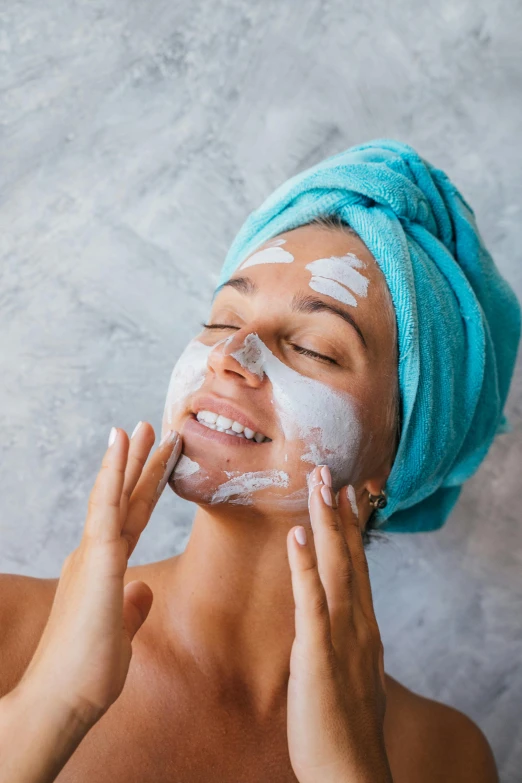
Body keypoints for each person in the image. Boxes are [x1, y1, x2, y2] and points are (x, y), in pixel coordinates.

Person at [0, 140, 519, 782]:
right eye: (222, 320)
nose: (230, 356)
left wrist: (350, 771)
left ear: (402, 455)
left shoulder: (445, 758)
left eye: (313, 348)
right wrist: (51, 704)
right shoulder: (10, 634)